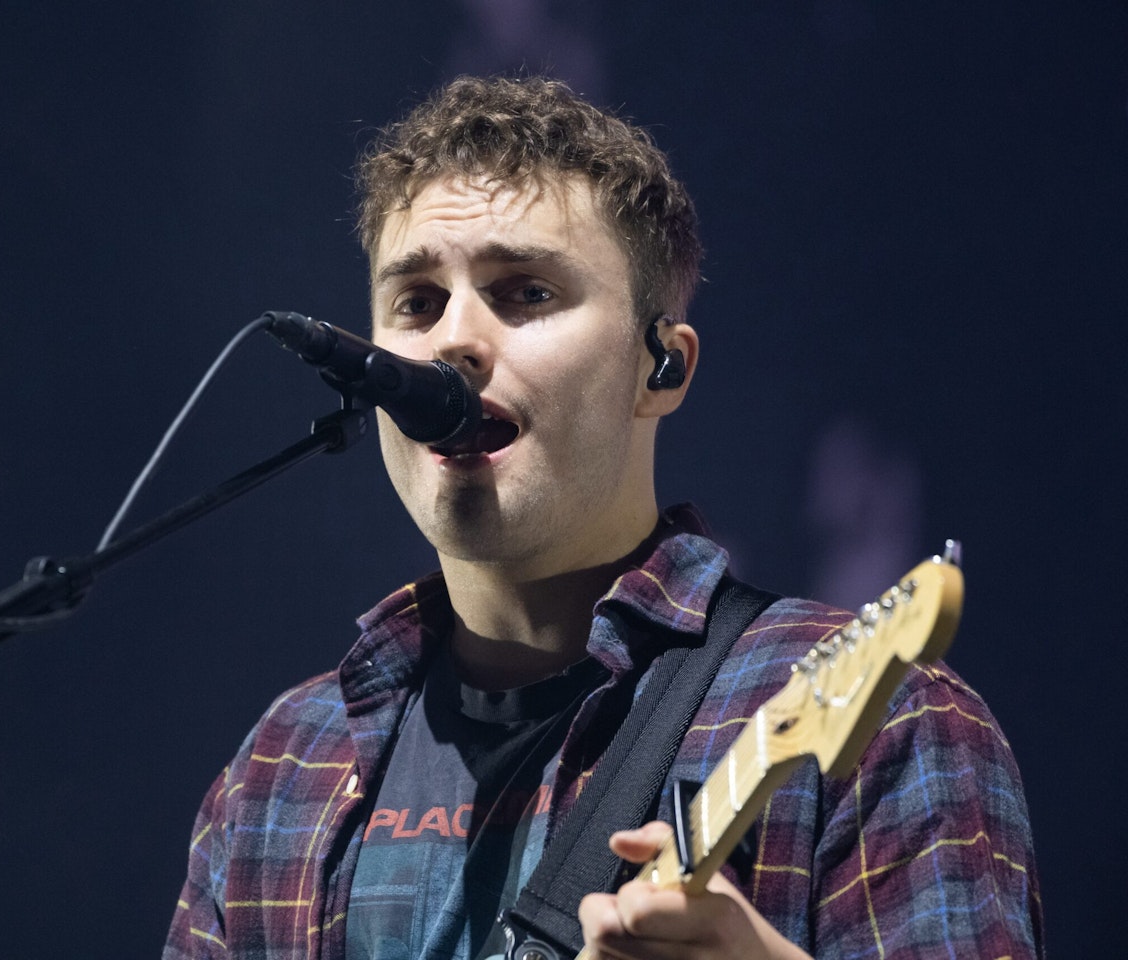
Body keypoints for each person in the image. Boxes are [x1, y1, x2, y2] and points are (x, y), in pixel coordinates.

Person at [164, 76, 1043, 960]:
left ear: (662, 367)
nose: (453, 340)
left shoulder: (886, 717)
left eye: (525, 292)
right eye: (416, 302)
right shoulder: (281, 770)